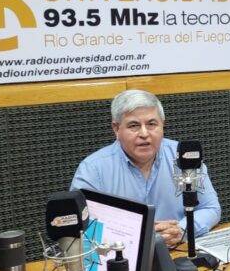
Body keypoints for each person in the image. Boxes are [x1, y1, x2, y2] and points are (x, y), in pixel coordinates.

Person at [71, 89, 221, 248]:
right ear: (116, 129)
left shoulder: (185, 157)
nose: (144, 133)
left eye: (151, 124)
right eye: (134, 125)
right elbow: (80, 229)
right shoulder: (93, 170)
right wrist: (139, 236)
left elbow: (210, 208)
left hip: (177, 251)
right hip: (121, 256)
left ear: (162, 125)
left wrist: (181, 230)